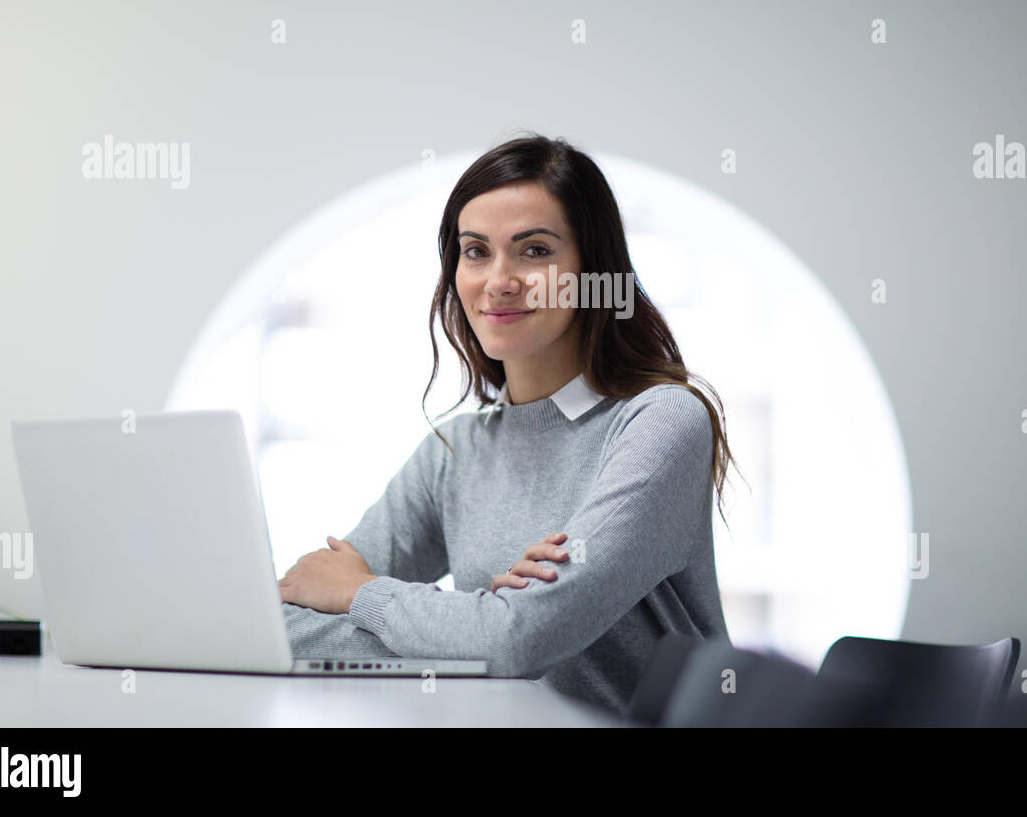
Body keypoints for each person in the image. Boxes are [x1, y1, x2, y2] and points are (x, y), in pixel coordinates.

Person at [279, 132, 741, 714]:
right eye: (476, 251)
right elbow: (289, 618)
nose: (499, 280)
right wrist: (476, 623)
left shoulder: (661, 421)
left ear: (592, 271)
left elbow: (515, 640)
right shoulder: (458, 448)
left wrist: (364, 595)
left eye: (535, 251)